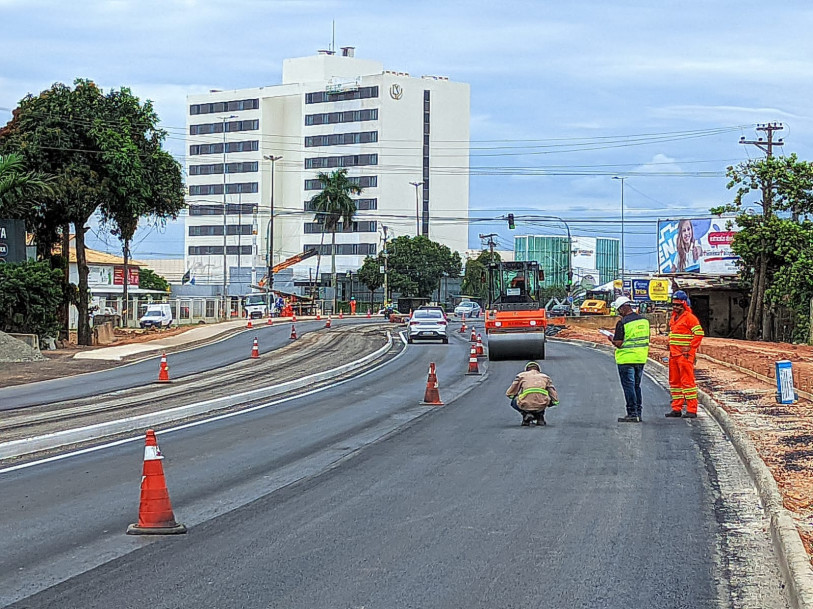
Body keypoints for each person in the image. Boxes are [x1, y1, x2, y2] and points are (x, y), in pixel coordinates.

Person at [606, 296, 650, 423]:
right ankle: (638, 413)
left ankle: (632, 413)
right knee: (637, 386)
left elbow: (619, 343)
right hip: (640, 358)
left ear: (623, 308)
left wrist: (611, 339)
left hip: (626, 359)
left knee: (629, 387)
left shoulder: (622, 323)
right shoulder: (644, 321)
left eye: (619, 309)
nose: (619, 312)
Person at [666, 290, 705, 419]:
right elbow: (674, 333)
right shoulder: (673, 318)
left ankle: (691, 409)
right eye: (674, 304)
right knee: (674, 382)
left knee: (687, 382)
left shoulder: (690, 318)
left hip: (684, 355)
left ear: (684, 304)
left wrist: (690, 347)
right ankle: (676, 408)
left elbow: (699, 334)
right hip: (674, 355)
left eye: (678, 305)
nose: (675, 307)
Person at [505, 361, 559, 426]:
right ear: (538, 370)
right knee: (543, 398)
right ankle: (540, 417)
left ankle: (526, 414)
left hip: (525, 403)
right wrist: (554, 402)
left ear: (527, 370)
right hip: (541, 404)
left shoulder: (521, 376)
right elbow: (552, 391)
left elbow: (510, 393)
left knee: (513, 402)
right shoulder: (545, 377)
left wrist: (514, 396)